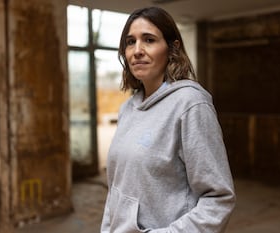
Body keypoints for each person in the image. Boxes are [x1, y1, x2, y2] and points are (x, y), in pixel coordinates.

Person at [101, 6, 235, 233]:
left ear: (173, 48)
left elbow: (218, 199)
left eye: (149, 40)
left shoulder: (190, 104)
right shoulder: (127, 109)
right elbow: (116, 190)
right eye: (130, 42)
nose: (137, 50)